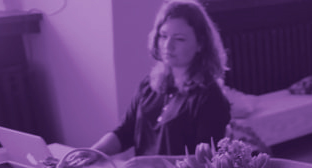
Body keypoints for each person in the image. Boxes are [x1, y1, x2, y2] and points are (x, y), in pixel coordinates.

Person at [92, 0, 231, 157]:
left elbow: (206, 161)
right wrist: (93, 152)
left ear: (201, 44)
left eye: (179, 39)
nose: (167, 45)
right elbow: (125, 132)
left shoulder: (210, 97)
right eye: (163, 36)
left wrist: (147, 165)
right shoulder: (149, 85)